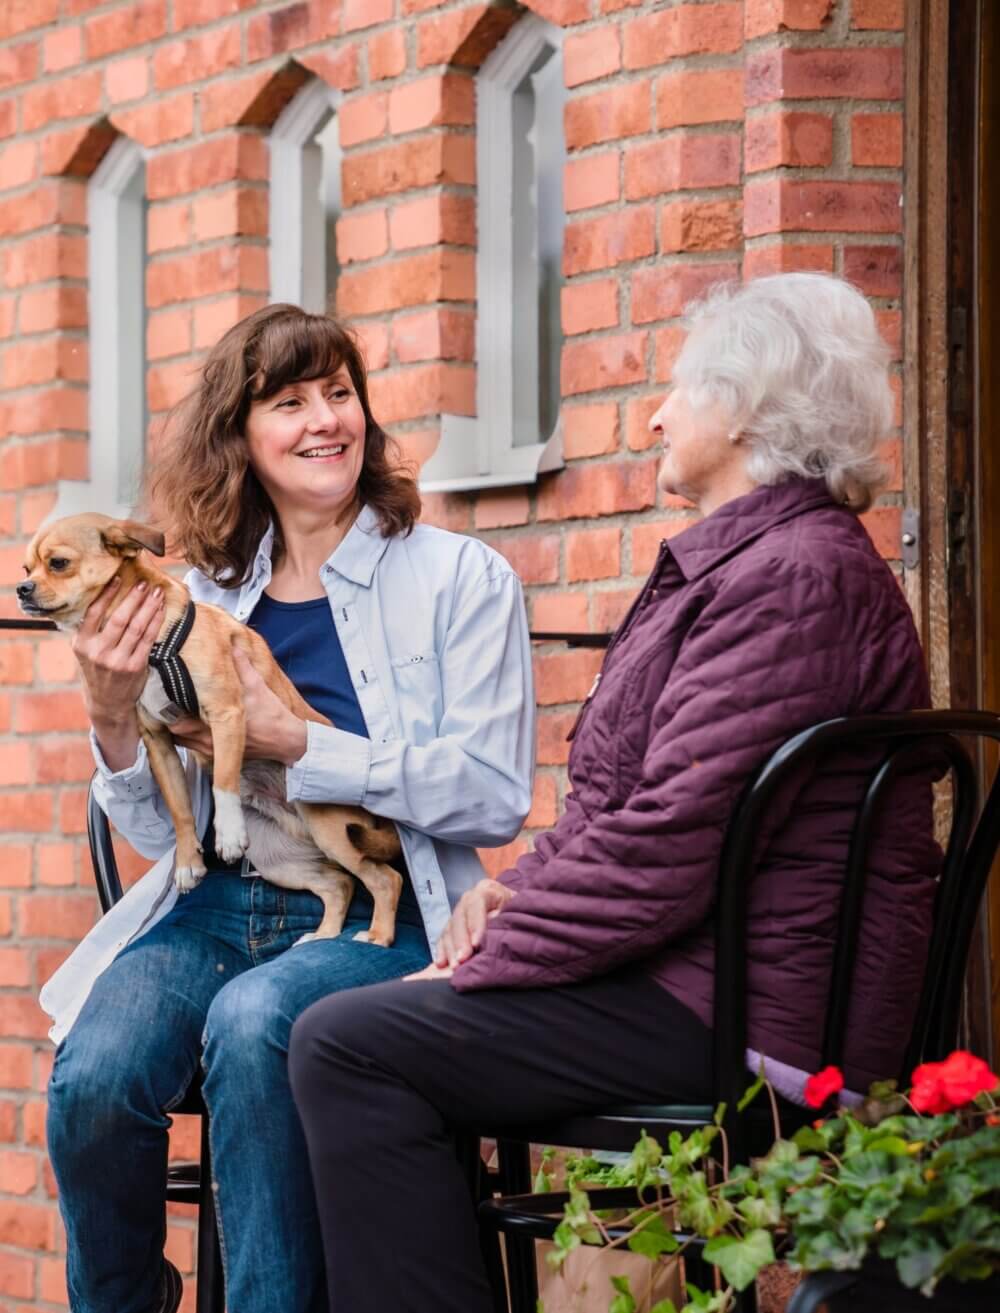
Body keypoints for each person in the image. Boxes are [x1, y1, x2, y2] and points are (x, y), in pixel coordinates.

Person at [288, 273, 942, 1313]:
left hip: (745, 1009)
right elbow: (625, 809)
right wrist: (509, 895)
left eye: (679, 388)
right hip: (696, 974)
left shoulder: (790, 579)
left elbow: (671, 839)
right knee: (356, 1026)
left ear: (743, 412)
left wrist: (496, 956)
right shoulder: (759, 563)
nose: (654, 412)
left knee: (348, 1042)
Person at [41, 304, 536, 1313]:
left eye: (340, 393)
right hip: (217, 906)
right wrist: (109, 712)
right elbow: (152, 832)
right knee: (95, 1070)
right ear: (242, 437)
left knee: (257, 1019)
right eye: (289, 401)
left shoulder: (458, 578)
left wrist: (301, 742)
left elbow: (491, 794)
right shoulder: (205, 593)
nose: (325, 420)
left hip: (383, 914)